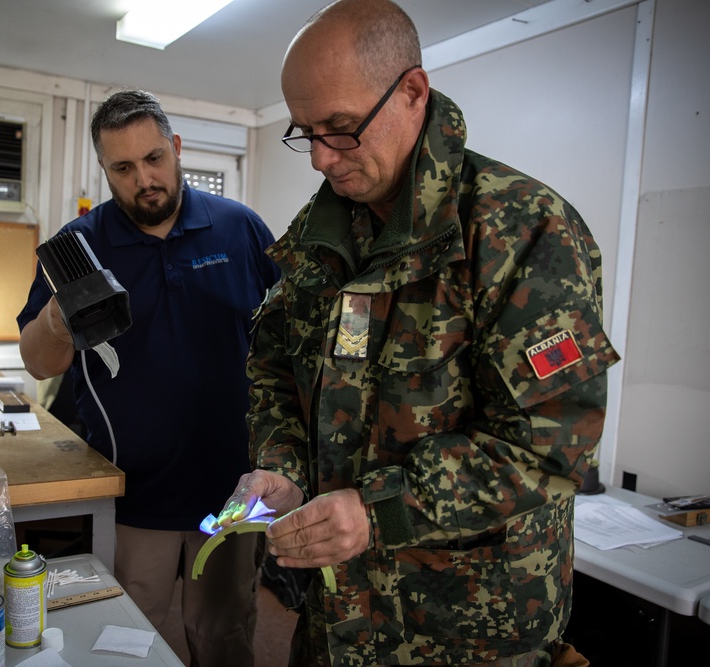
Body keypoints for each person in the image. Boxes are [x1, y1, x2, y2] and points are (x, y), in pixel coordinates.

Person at [212, 1, 621, 665]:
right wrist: (282, 467)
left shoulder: (520, 230)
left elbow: (552, 445)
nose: (318, 158)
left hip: (462, 635)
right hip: (337, 624)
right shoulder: (319, 239)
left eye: (340, 129)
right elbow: (274, 370)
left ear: (411, 92)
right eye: (304, 131)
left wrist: (378, 510)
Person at [18, 90, 279, 666]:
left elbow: (291, 342)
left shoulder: (241, 230)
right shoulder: (77, 247)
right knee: (128, 640)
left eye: (155, 158)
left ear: (177, 149)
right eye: (124, 168)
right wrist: (58, 318)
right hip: (134, 493)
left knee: (225, 633)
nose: (145, 179)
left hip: (236, 489)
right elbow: (40, 364)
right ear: (106, 171)